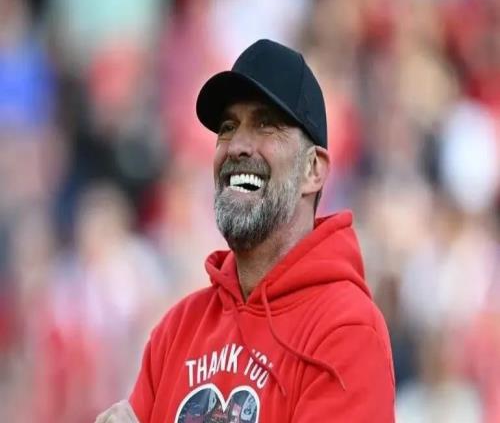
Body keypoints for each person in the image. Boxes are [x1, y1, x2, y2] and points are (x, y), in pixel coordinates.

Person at [95, 39, 395, 423]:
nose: (237, 145)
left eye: (265, 124)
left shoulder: (347, 329)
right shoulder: (177, 330)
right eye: (227, 127)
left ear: (313, 170)